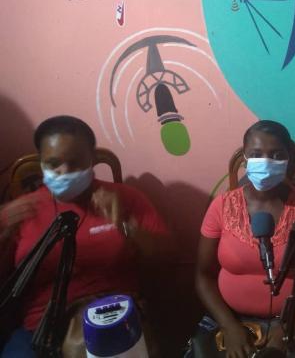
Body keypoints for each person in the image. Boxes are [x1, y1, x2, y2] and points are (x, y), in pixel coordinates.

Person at [0, 115, 169, 357]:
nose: (64, 171)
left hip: (114, 317)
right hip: (40, 328)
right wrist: (3, 232)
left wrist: (123, 225)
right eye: (53, 163)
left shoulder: (124, 198)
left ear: (93, 158)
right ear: (41, 163)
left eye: (76, 163)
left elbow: (166, 257)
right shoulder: (23, 210)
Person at [192, 120, 295, 357]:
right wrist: (230, 327)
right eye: (257, 154)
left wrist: (289, 329)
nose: (266, 162)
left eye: (277, 154)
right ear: (245, 158)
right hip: (230, 319)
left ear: (289, 157)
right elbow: (202, 274)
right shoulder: (222, 205)